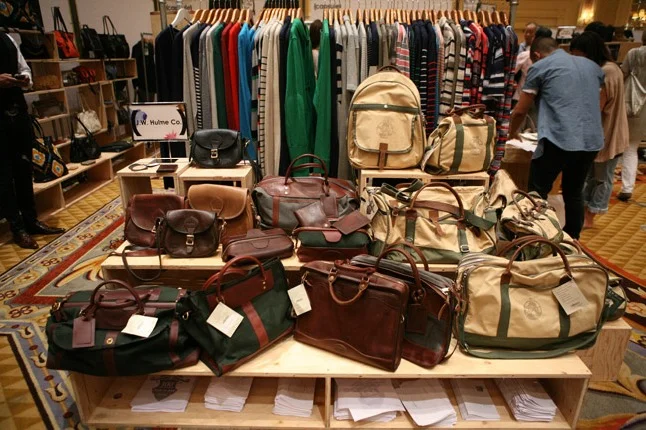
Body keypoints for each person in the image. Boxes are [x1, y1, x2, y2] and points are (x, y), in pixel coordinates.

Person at [509, 37, 605, 239]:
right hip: (591, 140)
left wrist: (510, 134)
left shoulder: (541, 67)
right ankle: (573, 239)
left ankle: (536, 237)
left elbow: (520, 110)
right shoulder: (592, 67)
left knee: (537, 192)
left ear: (536, 55)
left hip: (559, 138)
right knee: (574, 191)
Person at [0, 32, 65, 249]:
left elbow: (24, 68)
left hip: (17, 112)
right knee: (4, 175)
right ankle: (17, 227)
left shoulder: (7, 38)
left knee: (24, 168)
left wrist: (25, 79)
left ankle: (31, 220)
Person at [570, 32, 629, 228]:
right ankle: (584, 213)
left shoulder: (606, 71)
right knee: (591, 176)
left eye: (579, 55)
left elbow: (597, 106)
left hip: (607, 132)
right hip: (599, 131)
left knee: (602, 177)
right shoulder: (606, 69)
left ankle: (590, 215)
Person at [618, 32, 646, 201]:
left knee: (625, 147)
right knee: (633, 146)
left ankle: (626, 187)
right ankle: (627, 186)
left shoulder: (634, 53)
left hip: (632, 103)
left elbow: (623, 74)